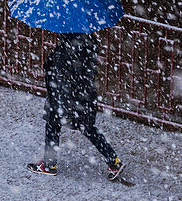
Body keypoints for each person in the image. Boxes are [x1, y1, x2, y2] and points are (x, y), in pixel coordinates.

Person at [28, 32, 124, 179]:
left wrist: (61, 104)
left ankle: (49, 164)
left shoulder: (64, 53)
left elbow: (60, 79)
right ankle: (114, 161)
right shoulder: (88, 45)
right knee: (88, 128)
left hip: (65, 98)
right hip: (84, 96)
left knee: (53, 124)